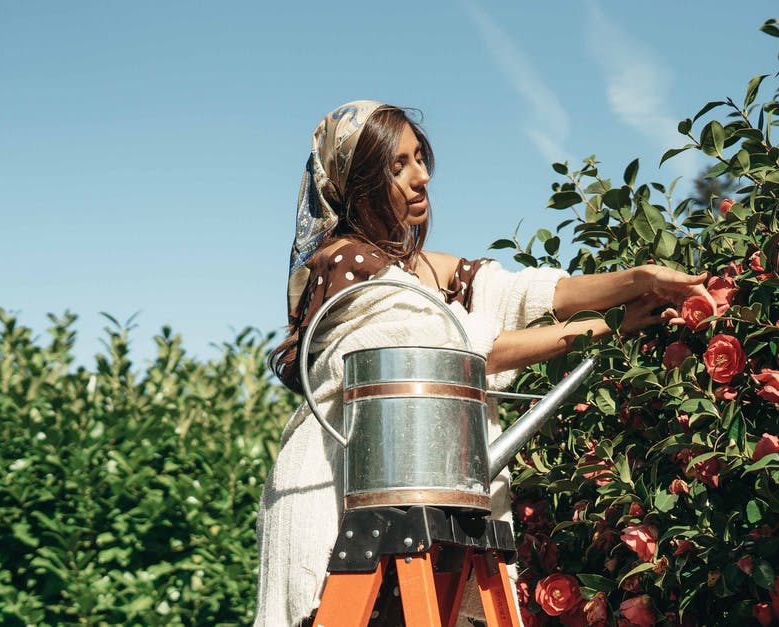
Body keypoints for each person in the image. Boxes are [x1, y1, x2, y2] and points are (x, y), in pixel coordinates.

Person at [255, 100, 713, 626]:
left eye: (420, 158)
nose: (420, 177)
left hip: (409, 494)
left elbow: (531, 293)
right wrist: (613, 326)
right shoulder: (346, 262)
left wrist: (640, 279)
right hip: (341, 504)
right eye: (396, 166)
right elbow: (462, 352)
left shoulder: (417, 268)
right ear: (356, 184)